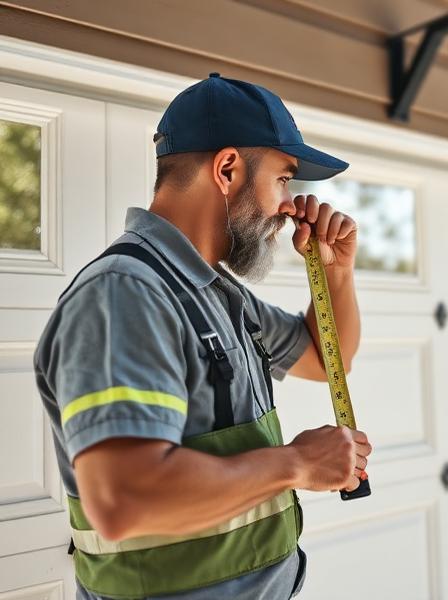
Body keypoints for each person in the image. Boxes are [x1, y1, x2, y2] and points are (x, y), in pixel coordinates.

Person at [32, 72, 371, 599]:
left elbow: (327, 361)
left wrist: (336, 273)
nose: (289, 206)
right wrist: (297, 463)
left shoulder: (218, 295)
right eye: (284, 179)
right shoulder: (126, 296)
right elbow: (123, 501)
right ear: (228, 169)